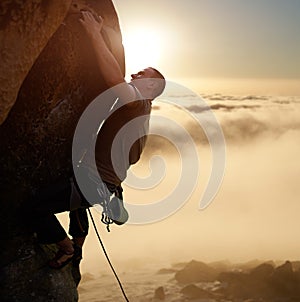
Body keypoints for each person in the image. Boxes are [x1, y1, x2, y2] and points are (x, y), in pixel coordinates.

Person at [29, 10, 165, 269]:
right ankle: (77, 248)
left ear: (151, 87)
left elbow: (114, 79)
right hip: (101, 185)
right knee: (76, 206)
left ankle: (65, 247)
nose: (135, 73)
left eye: (142, 74)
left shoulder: (136, 102)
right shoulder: (142, 113)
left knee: (33, 207)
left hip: (93, 185)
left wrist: (93, 33)